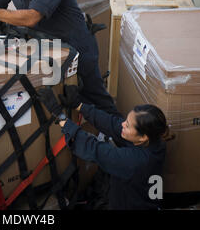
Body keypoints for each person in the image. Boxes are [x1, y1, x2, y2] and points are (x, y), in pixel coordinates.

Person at [38, 85, 170, 210]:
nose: (123, 124)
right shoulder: (156, 142)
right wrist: (79, 106)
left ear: (143, 137)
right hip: (145, 200)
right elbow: (113, 124)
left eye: (128, 125)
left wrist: (60, 117)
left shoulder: (134, 162)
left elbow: (94, 148)